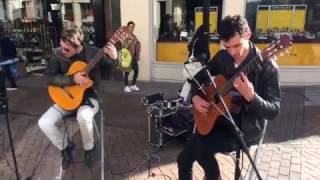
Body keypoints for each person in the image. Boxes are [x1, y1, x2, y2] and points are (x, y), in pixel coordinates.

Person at [177, 15, 281, 180]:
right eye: (227, 47)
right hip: (217, 121)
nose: (232, 52)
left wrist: (252, 97)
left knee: (201, 149)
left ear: (248, 34)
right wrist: (195, 97)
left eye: (236, 45)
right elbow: (199, 78)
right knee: (183, 159)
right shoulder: (222, 57)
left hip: (244, 127)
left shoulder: (267, 67)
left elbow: (273, 110)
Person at [38, 26, 118, 169]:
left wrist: (114, 59)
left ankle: (89, 148)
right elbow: (48, 78)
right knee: (44, 122)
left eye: (67, 49)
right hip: (66, 99)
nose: (63, 51)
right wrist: (71, 79)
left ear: (78, 45)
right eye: (61, 47)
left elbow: (109, 73)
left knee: (84, 116)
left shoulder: (94, 52)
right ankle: (65, 147)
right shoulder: (58, 55)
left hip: (90, 99)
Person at [123, 21, 141, 93]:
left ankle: (133, 85)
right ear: (127, 27)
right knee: (127, 72)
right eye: (130, 27)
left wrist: (137, 55)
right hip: (127, 57)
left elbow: (137, 44)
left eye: (133, 27)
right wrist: (128, 43)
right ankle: (126, 86)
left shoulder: (134, 36)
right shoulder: (125, 36)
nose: (131, 28)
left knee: (136, 71)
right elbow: (124, 47)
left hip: (133, 57)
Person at [0, 23, 18, 90]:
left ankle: (5, 87)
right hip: (10, 56)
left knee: (4, 71)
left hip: (5, 57)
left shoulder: (2, 39)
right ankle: (13, 85)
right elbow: (13, 47)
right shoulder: (6, 38)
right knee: (6, 71)